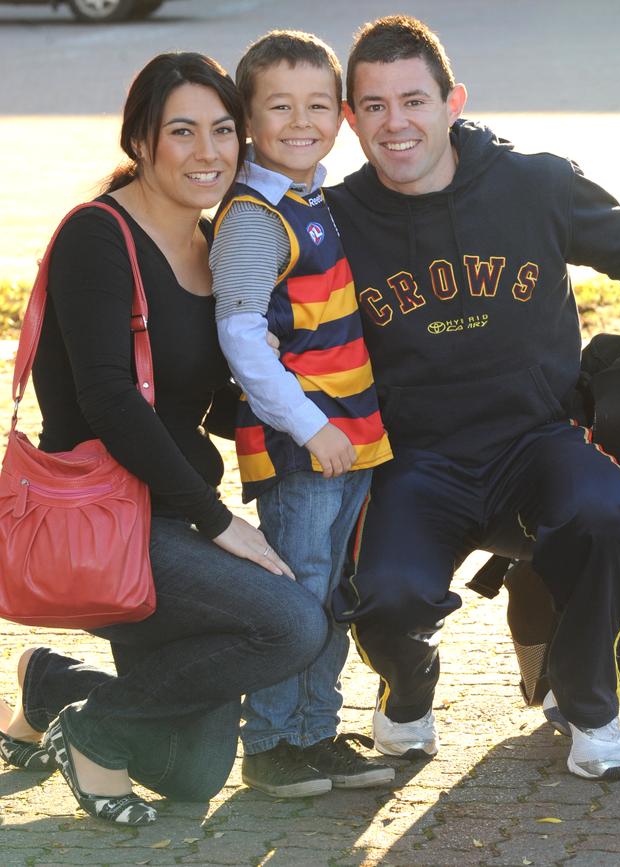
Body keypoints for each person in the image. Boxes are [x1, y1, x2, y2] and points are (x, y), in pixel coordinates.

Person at [0, 51, 328, 825]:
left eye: (223, 130)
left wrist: (320, 434)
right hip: (111, 515)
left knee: (189, 776)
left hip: (174, 510)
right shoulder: (98, 236)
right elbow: (111, 399)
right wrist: (218, 524)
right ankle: (96, 729)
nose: (208, 152)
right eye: (182, 131)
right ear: (141, 141)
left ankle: (56, 685)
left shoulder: (216, 245)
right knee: (289, 623)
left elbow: (204, 398)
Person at [326, 15, 620, 780]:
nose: (396, 123)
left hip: (537, 442)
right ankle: (410, 688)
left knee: (606, 510)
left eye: (413, 100)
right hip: (415, 460)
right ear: (351, 118)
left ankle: (590, 700)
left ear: (452, 101)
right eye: (373, 106)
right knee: (384, 595)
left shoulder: (532, 182)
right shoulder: (337, 219)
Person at [210, 30, 394, 798]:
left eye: (319, 104)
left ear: (341, 113)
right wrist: (309, 426)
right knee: (299, 589)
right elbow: (242, 334)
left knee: (334, 589)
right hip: (303, 447)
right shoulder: (255, 216)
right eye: (279, 106)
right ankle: (273, 741)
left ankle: (315, 730)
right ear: (247, 120)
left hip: (348, 441)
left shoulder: (314, 196)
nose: (301, 120)